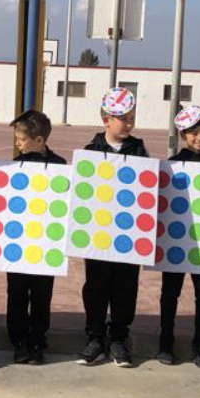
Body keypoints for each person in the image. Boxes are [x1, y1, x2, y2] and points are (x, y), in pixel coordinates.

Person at [78, 87, 149, 368]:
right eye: (123, 119)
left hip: (129, 236)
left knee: (125, 287)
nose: (129, 124)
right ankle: (95, 337)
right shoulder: (91, 152)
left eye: (132, 118)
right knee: (96, 286)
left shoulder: (140, 151)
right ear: (106, 120)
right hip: (97, 235)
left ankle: (119, 338)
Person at [158, 105, 200, 368]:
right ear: (184, 135)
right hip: (174, 240)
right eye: (194, 133)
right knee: (170, 293)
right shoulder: (172, 166)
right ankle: (166, 340)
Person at [6, 109, 66, 365]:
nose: (17, 143)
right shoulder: (13, 166)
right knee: (17, 294)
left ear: (39, 140)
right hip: (18, 244)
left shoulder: (60, 167)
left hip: (46, 244)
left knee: (42, 295)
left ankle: (38, 340)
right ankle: (19, 341)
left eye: (21, 139)